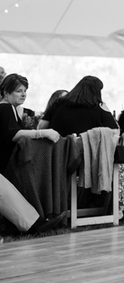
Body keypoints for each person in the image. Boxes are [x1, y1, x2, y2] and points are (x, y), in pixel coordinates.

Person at [0, 74, 67, 234]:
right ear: (6, 92)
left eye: (25, 91)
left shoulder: (11, 109)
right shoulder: (6, 108)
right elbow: (13, 135)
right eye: (18, 91)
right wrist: (42, 133)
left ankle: (36, 222)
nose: (23, 94)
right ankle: (37, 223)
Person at [39, 76, 117, 137]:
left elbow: (41, 127)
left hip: (56, 152)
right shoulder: (98, 108)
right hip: (84, 153)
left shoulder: (58, 103)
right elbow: (115, 132)